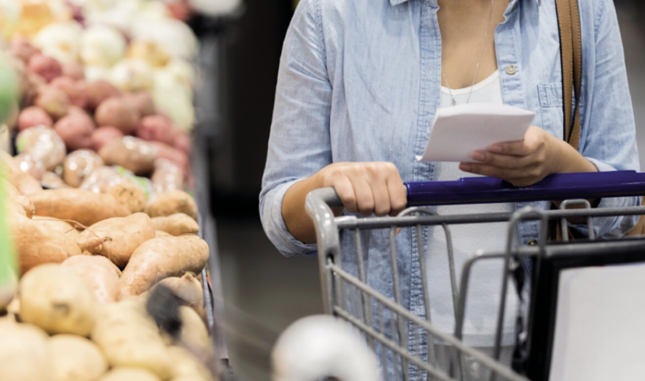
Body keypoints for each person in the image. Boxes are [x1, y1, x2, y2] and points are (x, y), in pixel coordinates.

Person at [260, 0, 639, 377]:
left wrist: (560, 165)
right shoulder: (330, 13)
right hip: (388, 352)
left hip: (550, 347)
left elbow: (627, 204)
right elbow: (281, 212)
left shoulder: (580, 9)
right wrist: (331, 186)